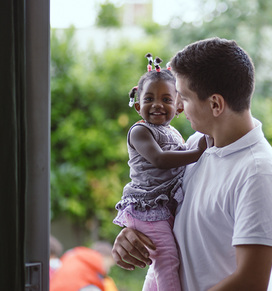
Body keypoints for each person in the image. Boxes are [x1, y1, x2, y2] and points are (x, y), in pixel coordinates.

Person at [112, 38, 272, 291]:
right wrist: (133, 233)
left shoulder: (258, 172)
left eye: (182, 97)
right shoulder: (196, 145)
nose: (179, 107)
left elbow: (251, 282)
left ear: (215, 104)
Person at [112, 54, 208, 291]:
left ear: (178, 106)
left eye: (166, 98)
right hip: (148, 208)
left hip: (160, 206)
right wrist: (198, 152)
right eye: (149, 98)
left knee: (161, 264)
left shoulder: (173, 133)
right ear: (137, 106)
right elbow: (160, 159)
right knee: (167, 259)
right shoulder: (140, 132)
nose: (157, 104)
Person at [50, 241, 117, 291]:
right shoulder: (91, 264)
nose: (108, 270)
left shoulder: (77, 256)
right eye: (109, 266)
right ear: (104, 257)